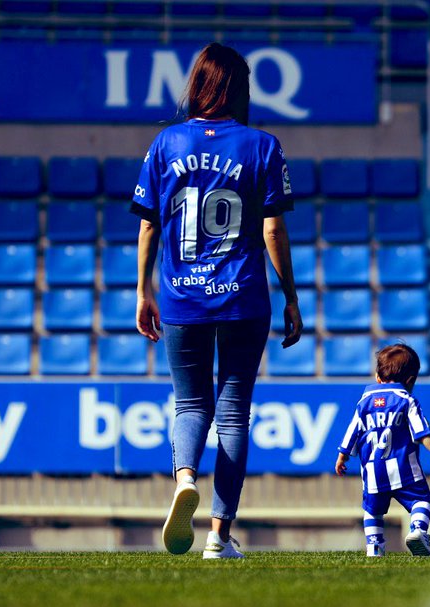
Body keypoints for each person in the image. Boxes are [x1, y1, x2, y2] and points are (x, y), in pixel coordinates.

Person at [131, 42, 303, 559]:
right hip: (243, 297)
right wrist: (291, 296)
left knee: (189, 404)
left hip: (181, 297)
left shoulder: (166, 143)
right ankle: (218, 536)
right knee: (233, 415)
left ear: (198, 85)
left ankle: (185, 477)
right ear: (239, 90)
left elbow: (148, 225)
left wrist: (143, 291)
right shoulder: (262, 145)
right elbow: (272, 229)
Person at [334, 344, 430, 557]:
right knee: (421, 501)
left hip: (373, 472)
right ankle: (418, 530)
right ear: (411, 380)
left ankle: (374, 546)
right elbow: (422, 432)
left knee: (372, 510)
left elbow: (352, 432)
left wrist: (342, 456)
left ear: (377, 377)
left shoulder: (364, 403)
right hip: (404, 468)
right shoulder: (407, 401)